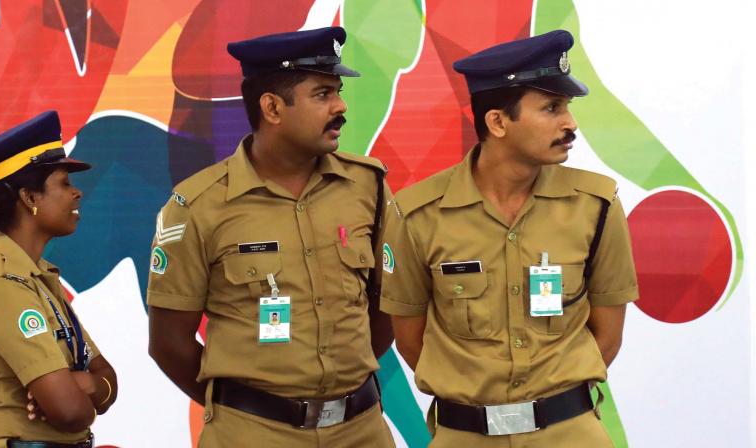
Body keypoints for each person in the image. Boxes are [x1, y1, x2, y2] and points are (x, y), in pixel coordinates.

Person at [380, 30, 639, 447]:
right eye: (552, 108)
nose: (570, 123)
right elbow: (412, 341)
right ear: (498, 121)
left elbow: (607, 336)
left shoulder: (596, 204)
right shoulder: (418, 214)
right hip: (463, 435)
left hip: (570, 433)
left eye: (567, 107)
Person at [147, 27, 395, 447]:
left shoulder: (366, 186)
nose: (341, 106)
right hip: (252, 434)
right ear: (273, 108)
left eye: (337, 92)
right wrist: (247, 408)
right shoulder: (200, 205)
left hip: (360, 431)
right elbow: (169, 342)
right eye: (322, 94)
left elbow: (385, 308)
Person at [0, 111, 117, 447]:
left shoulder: (36, 275)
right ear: (29, 198)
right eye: (64, 183)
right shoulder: (0, 284)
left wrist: (86, 385)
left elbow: (107, 379)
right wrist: (85, 390)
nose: (77, 194)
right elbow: (71, 412)